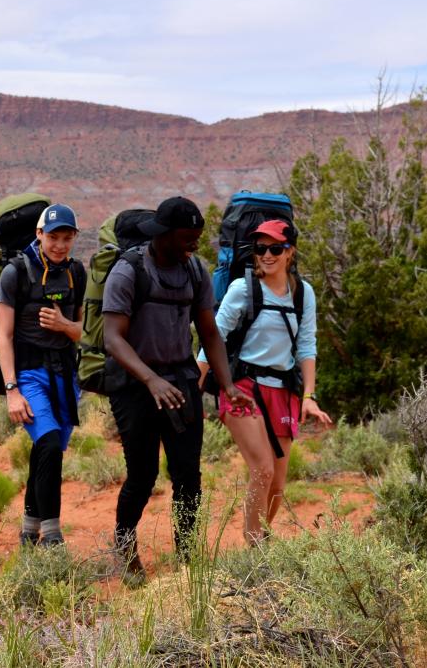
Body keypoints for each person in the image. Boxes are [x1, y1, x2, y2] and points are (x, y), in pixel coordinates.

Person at [102, 196, 253, 584]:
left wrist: (227, 383)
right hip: (135, 384)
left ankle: (187, 558)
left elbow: (209, 332)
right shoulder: (128, 271)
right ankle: (124, 545)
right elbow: (113, 339)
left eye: (198, 237)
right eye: (187, 237)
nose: (194, 245)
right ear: (164, 235)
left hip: (181, 379)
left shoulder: (195, 270)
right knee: (143, 473)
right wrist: (150, 380)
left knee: (188, 474)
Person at [197, 219, 332, 545]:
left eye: (275, 248)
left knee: (278, 483)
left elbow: (306, 346)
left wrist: (309, 396)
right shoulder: (243, 290)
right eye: (260, 248)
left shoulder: (303, 294)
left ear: (290, 252)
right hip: (243, 388)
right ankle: (255, 549)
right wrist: (194, 388)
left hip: (284, 393)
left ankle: (260, 540)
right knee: (262, 469)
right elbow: (213, 338)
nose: (267, 255)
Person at [0, 204, 87, 548]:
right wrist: (11, 390)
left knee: (47, 450)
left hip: (64, 376)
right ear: (39, 234)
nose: (60, 245)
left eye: (67, 238)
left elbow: (84, 332)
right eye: (53, 237)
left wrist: (65, 326)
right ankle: (52, 536)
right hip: (29, 375)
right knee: (47, 443)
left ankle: (28, 530)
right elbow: (3, 336)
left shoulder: (77, 273)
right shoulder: (16, 273)